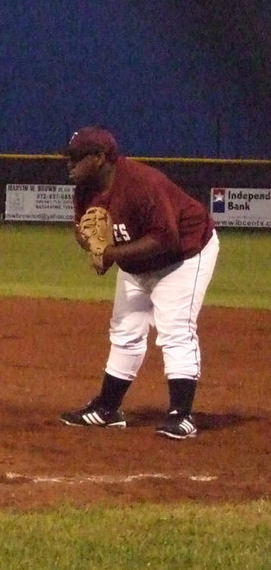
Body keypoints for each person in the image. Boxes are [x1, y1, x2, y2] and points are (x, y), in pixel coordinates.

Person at [58, 126, 218, 440]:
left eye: (76, 157)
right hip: (138, 260)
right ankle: (107, 409)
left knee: (175, 329)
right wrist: (90, 244)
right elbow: (88, 235)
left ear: (100, 157)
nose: (70, 164)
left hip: (185, 254)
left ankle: (182, 415)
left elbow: (167, 239)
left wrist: (110, 254)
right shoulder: (84, 190)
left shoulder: (142, 184)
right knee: (125, 329)